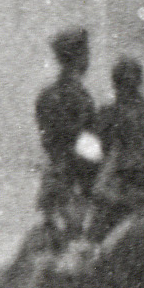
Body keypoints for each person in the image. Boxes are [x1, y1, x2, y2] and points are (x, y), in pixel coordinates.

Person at [91, 58, 144, 234]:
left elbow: (95, 154)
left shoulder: (108, 113)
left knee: (97, 237)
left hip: (116, 186)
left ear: (115, 84)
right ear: (139, 82)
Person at [33, 27, 97, 213]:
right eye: (85, 53)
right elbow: (86, 141)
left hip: (53, 177)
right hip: (78, 181)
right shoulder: (80, 97)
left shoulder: (46, 95)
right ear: (80, 57)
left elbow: (47, 137)